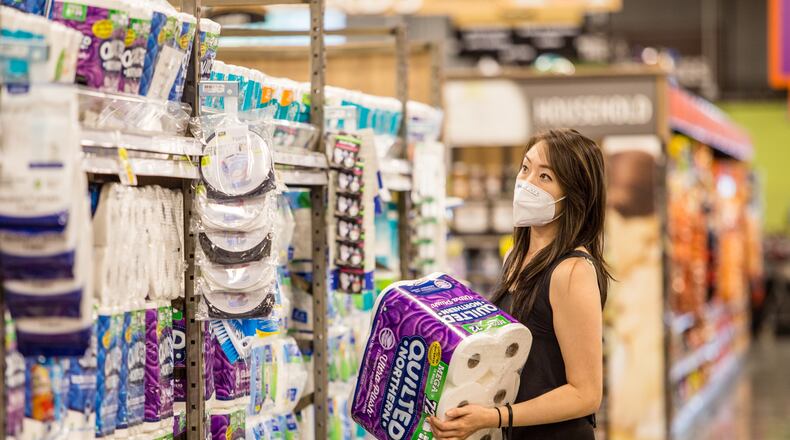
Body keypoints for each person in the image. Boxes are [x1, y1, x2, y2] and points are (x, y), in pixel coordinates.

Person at [430, 129, 612, 439]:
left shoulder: (572, 272)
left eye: (545, 177)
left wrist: (496, 416)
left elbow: (586, 394)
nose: (526, 183)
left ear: (574, 194)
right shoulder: (514, 257)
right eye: (525, 168)